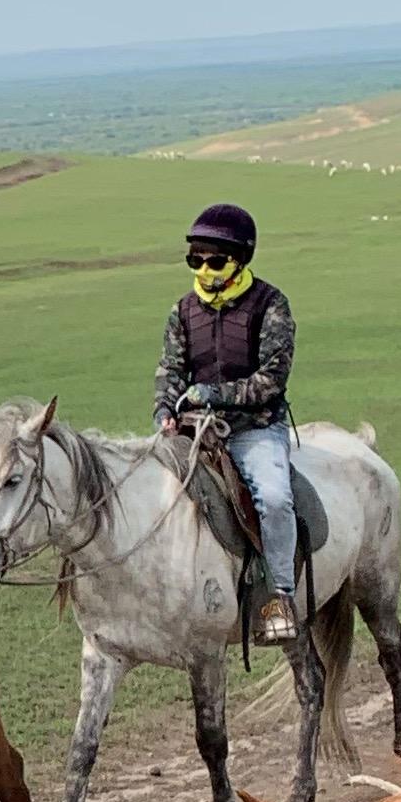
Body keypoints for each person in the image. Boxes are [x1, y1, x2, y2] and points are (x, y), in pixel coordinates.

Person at [156, 202, 300, 646]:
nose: (204, 269)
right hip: (193, 428)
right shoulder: (183, 311)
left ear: (240, 260)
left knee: (274, 499)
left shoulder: (271, 305)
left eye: (215, 260)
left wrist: (215, 394)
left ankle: (280, 596)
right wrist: (163, 410)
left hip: (255, 428)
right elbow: (170, 369)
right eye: (195, 260)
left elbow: (271, 380)